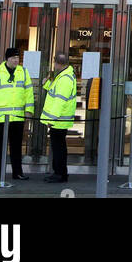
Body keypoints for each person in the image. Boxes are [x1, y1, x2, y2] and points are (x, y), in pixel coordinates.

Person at [0, 48, 34, 181]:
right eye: (13, 58)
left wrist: (29, 111)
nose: (16, 60)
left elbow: (29, 93)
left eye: (18, 58)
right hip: (0, 117)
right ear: (7, 59)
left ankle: (17, 172)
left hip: (17, 116)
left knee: (16, 146)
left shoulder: (23, 72)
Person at [39, 51, 76, 183]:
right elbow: (56, 93)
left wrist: (51, 120)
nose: (53, 65)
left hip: (59, 120)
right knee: (58, 147)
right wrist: (47, 84)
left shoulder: (65, 79)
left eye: (54, 62)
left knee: (58, 148)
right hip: (60, 120)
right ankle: (59, 172)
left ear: (58, 63)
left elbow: (59, 101)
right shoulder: (63, 76)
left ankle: (59, 173)